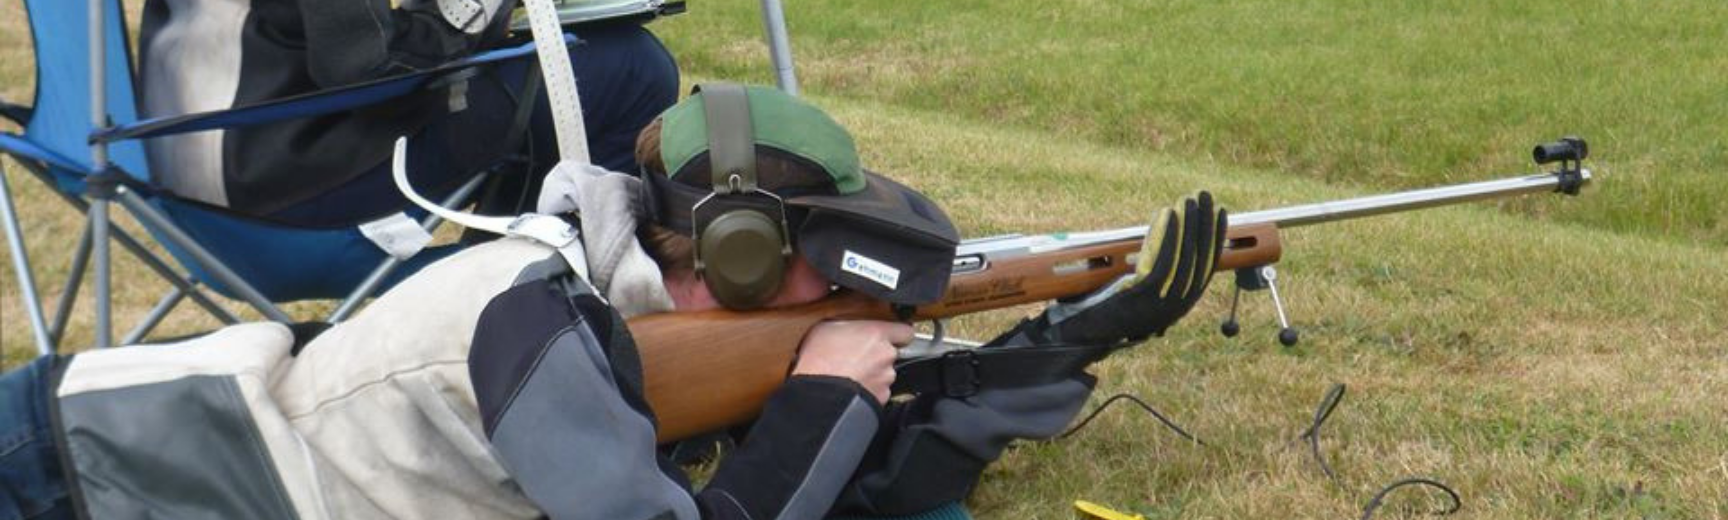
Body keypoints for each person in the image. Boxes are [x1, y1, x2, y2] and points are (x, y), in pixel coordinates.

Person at [0, 85, 1225, 520]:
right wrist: (810, 401)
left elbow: (873, 471)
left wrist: (1069, 335)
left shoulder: (643, 323)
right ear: (735, 258)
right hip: (71, 468)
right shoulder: (530, 313)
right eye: (831, 258)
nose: (851, 289)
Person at [137, 0, 680, 226]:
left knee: (557, 68)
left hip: (178, 162)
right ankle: (533, 310)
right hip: (277, 174)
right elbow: (367, 65)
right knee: (631, 67)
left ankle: (516, 292)